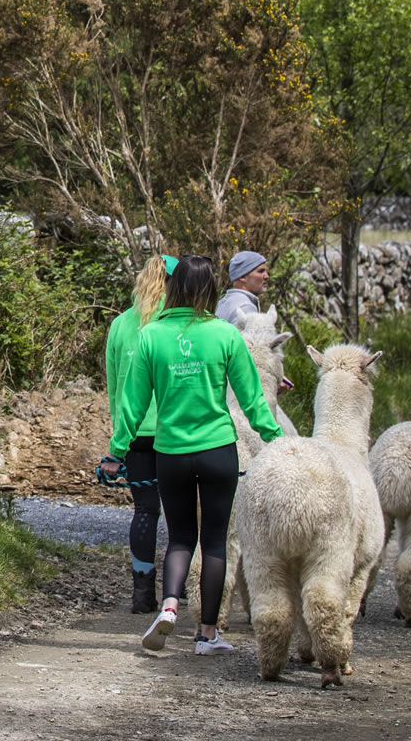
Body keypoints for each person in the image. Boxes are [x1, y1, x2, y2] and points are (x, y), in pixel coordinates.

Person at [104, 255, 285, 656]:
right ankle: (207, 634)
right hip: (218, 450)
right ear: (209, 291)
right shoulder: (224, 335)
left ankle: (168, 606)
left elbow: (131, 403)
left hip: (171, 453)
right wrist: (276, 438)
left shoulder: (151, 336)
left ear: (175, 287)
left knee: (181, 538)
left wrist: (117, 451)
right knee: (215, 543)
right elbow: (253, 399)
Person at [104, 254, 175, 614]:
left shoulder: (119, 325)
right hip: (175, 432)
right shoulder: (178, 325)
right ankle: (179, 593)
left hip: (134, 436)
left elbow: (115, 388)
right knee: (182, 514)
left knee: (145, 511)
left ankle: (142, 593)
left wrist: (120, 437)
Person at [215, 250, 269, 326]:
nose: (266, 276)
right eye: (261, 271)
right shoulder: (245, 307)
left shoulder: (224, 301)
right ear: (242, 277)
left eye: (266, 271)